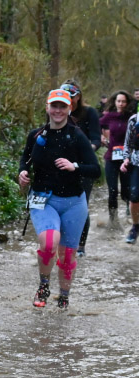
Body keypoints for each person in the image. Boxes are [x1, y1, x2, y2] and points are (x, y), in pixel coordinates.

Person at [18, 89, 100, 309]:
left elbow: (95, 169)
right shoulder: (36, 135)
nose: (58, 110)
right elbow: (25, 160)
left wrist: (75, 166)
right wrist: (22, 173)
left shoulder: (77, 136)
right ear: (47, 108)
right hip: (42, 199)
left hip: (73, 202)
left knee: (67, 255)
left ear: (69, 109)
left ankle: (64, 297)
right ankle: (43, 286)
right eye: (54, 106)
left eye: (62, 106)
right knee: (48, 242)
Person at [60, 80, 101, 257]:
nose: (68, 100)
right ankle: (60, 242)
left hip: (83, 165)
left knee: (81, 205)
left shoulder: (89, 112)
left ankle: (80, 245)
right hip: (61, 165)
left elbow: (96, 138)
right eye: (65, 96)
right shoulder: (57, 111)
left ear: (78, 97)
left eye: (71, 96)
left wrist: (86, 149)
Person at [99, 90, 134, 228]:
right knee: (112, 190)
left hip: (127, 159)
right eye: (118, 101)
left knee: (126, 190)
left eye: (123, 101)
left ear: (127, 103)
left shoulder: (131, 117)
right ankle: (113, 220)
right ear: (114, 102)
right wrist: (100, 137)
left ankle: (130, 215)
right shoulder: (109, 116)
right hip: (111, 157)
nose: (121, 104)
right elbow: (96, 126)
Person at [119, 109, 139, 243]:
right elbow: (127, 143)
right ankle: (135, 226)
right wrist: (126, 159)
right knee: (134, 197)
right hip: (137, 162)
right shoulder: (134, 120)